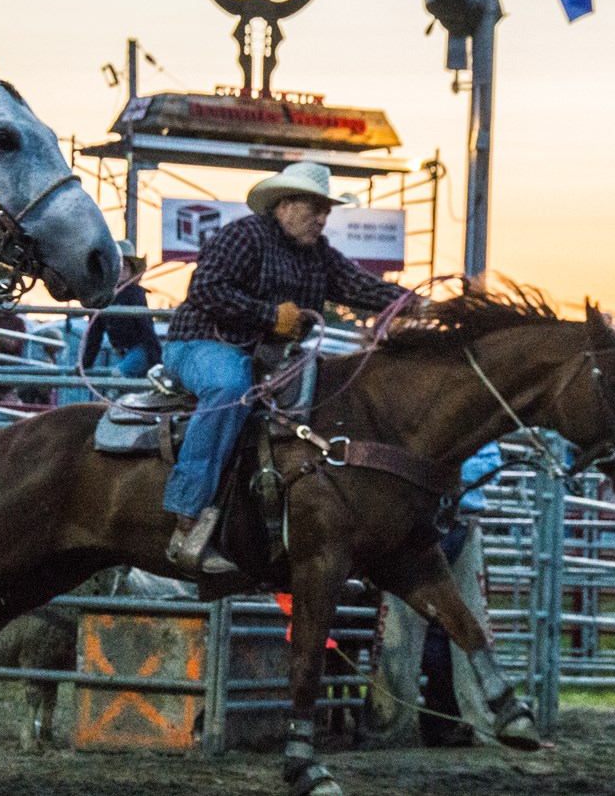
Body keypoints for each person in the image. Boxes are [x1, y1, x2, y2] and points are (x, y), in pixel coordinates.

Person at [162, 161, 410, 574]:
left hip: (266, 356)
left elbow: (360, 286)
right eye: (314, 207)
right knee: (230, 390)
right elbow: (205, 289)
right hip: (201, 342)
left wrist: (413, 302)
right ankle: (187, 517)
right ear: (284, 205)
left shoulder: (318, 255)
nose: (322, 217)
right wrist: (267, 315)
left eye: (326, 210)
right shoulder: (245, 235)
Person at [365, 442, 502, 748]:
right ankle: (417, 719)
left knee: (447, 631)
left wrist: (440, 469)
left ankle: (442, 720)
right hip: (419, 527)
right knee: (425, 630)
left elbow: (491, 462)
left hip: (455, 523)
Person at [81, 240, 161, 378]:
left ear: (132, 272)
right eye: (118, 265)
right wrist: (85, 364)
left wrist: (156, 361)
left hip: (140, 350)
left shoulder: (134, 293)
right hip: (122, 353)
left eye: (125, 267)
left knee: (118, 376)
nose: (121, 270)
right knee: (120, 379)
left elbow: (146, 328)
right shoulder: (102, 296)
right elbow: (95, 333)